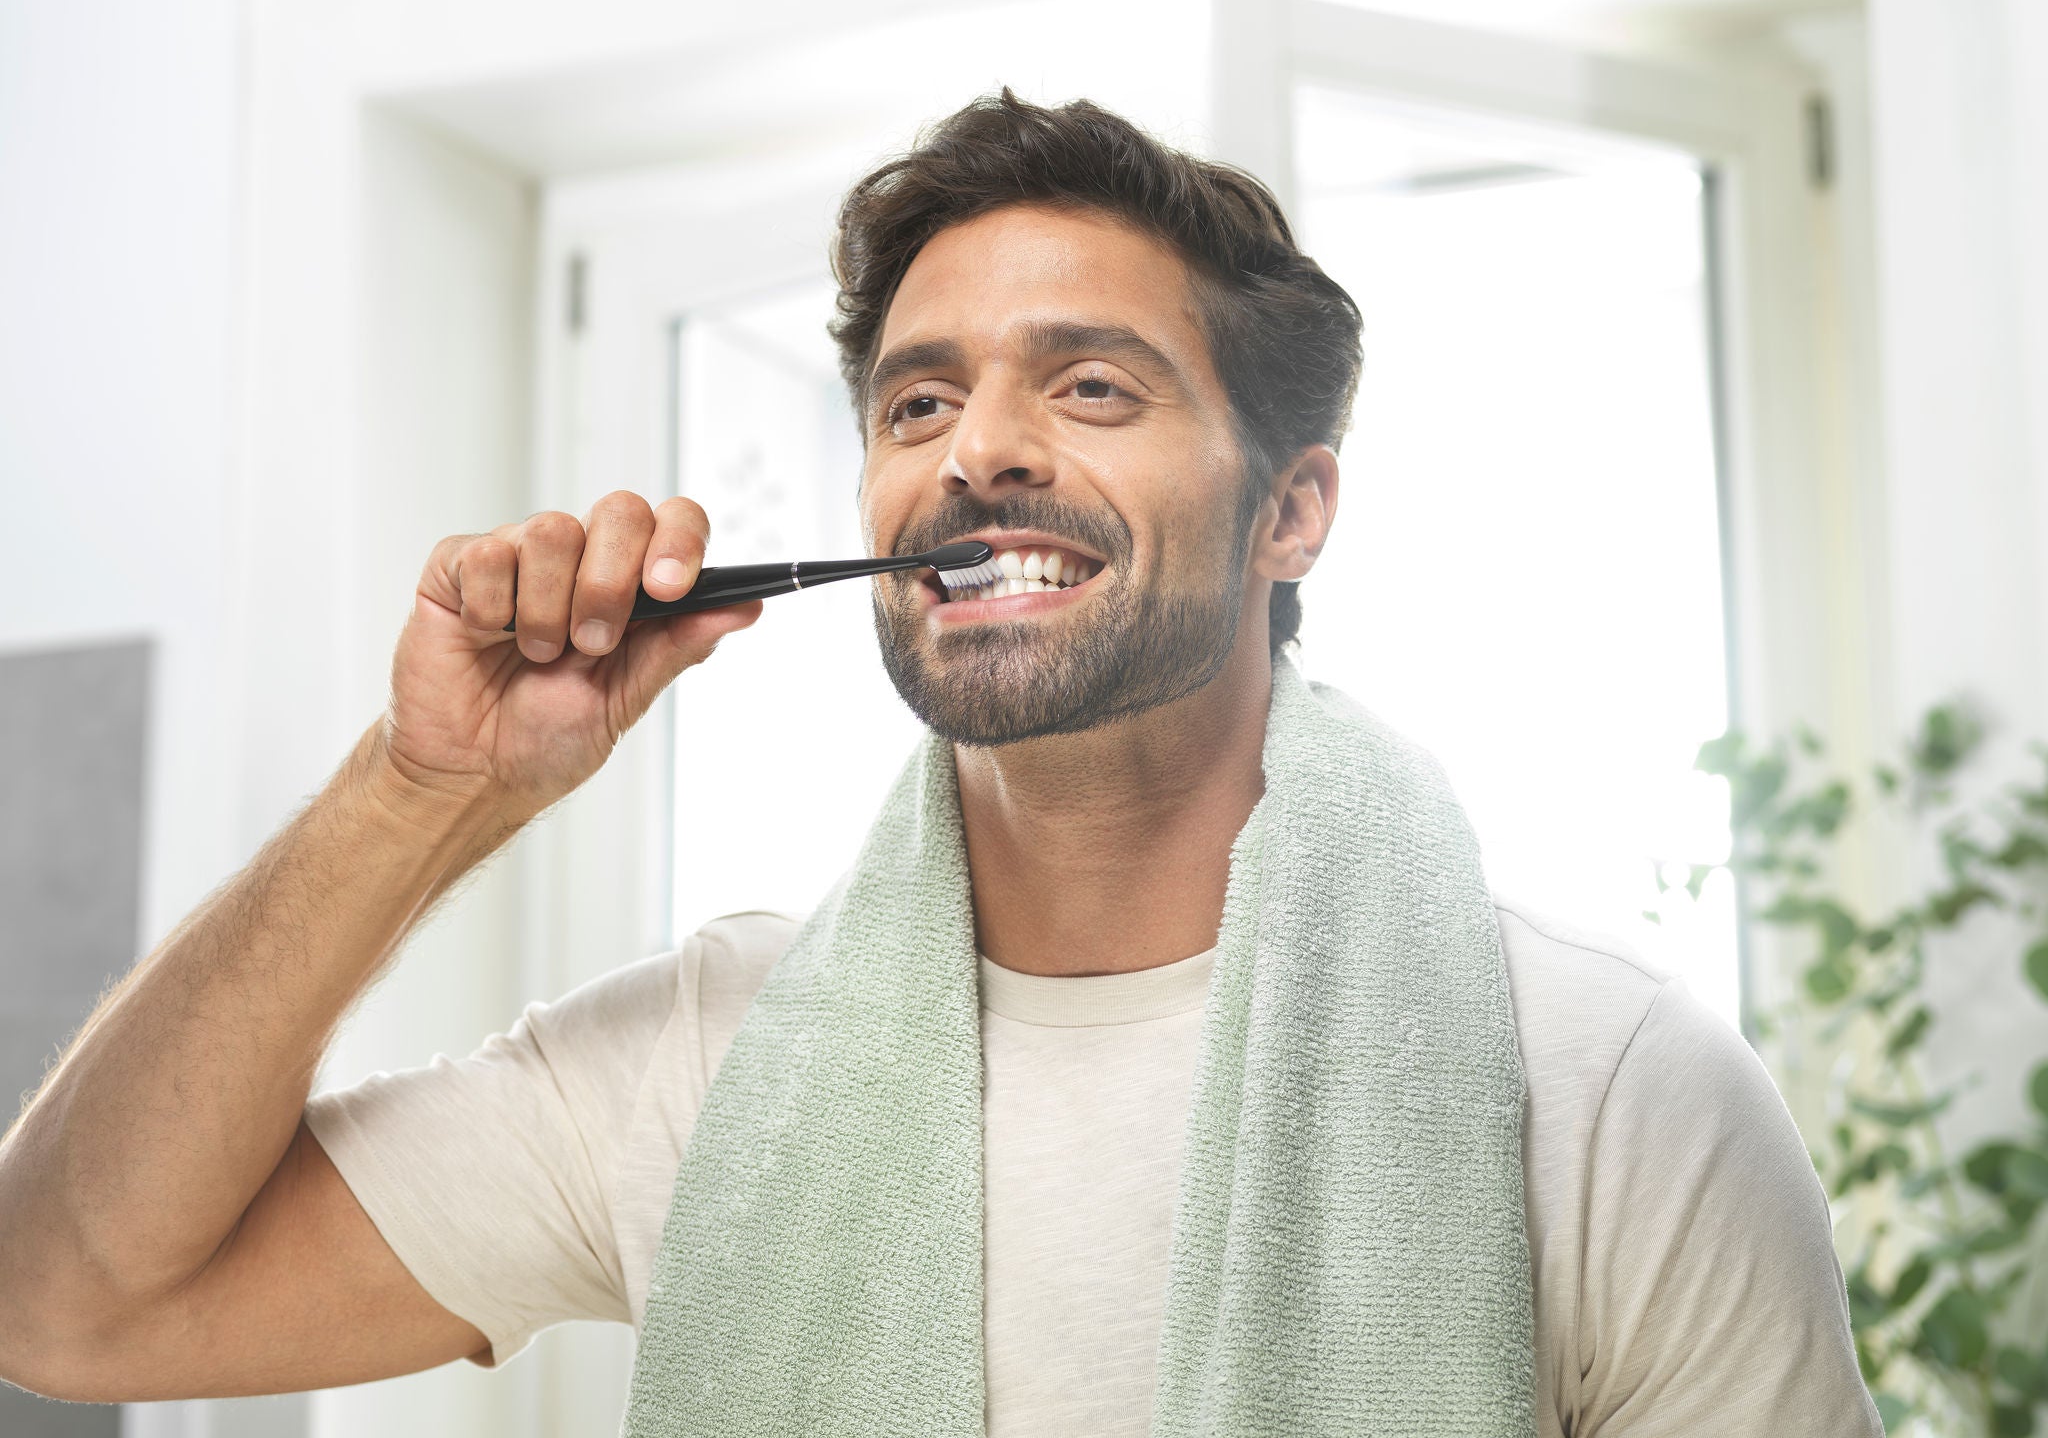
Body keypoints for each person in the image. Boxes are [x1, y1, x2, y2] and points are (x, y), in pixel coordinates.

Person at [0, 90, 1881, 1436]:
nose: (975, 449)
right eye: (918, 399)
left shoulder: (1610, 1093)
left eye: (1090, 386)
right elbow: (69, 1301)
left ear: (1292, 512)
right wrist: (426, 791)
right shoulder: (702, 1064)